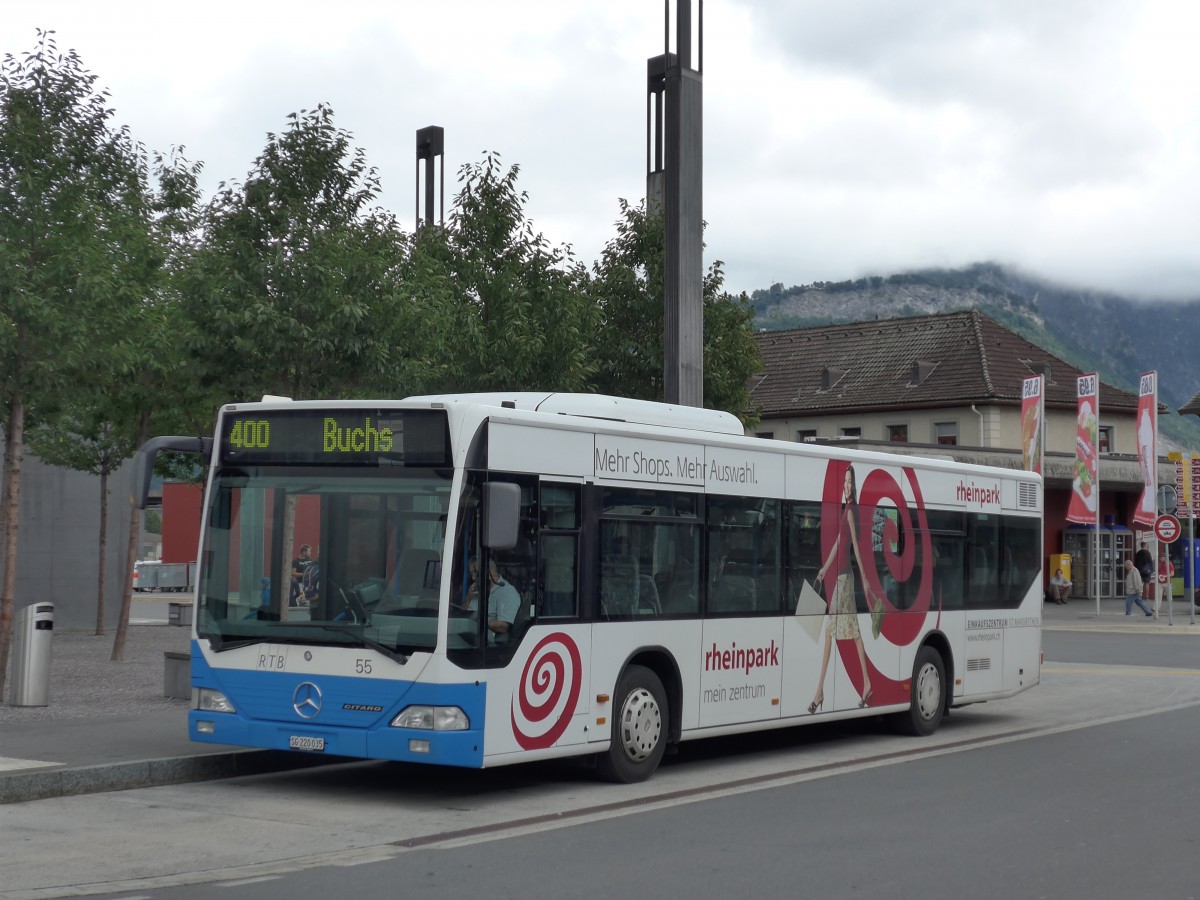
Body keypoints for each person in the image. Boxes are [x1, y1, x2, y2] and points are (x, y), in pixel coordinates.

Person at [810, 464, 877, 713]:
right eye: (845, 482)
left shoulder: (850, 511)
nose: (847, 485)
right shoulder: (846, 510)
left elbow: (855, 550)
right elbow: (839, 543)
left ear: (855, 485)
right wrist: (824, 569)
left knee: (835, 632)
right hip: (839, 576)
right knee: (848, 632)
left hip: (845, 579)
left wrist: (865, 579)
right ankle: (863, 684)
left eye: (850, 482)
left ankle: (820, 691)